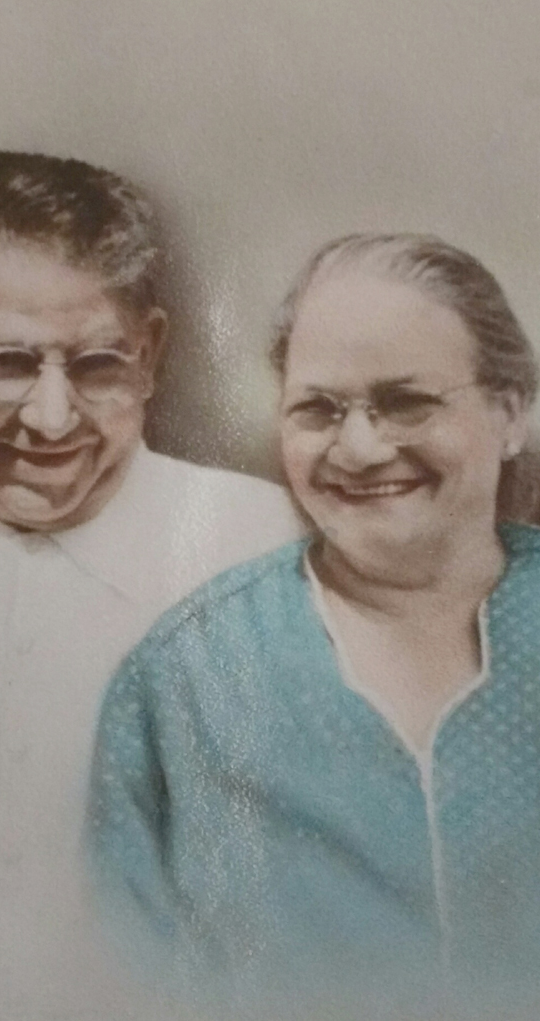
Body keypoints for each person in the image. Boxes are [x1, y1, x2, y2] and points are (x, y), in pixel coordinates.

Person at [88, 233, 540, 1021]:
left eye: (407, 401)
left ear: (511, 412)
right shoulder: (184, 681)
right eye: (319, 409)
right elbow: (110, 981)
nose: (360, 448)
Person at [0, 150, 302, 1020]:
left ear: (150, 353)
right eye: (8, 362)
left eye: (96, 366)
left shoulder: (268, 552)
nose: (52, 419)